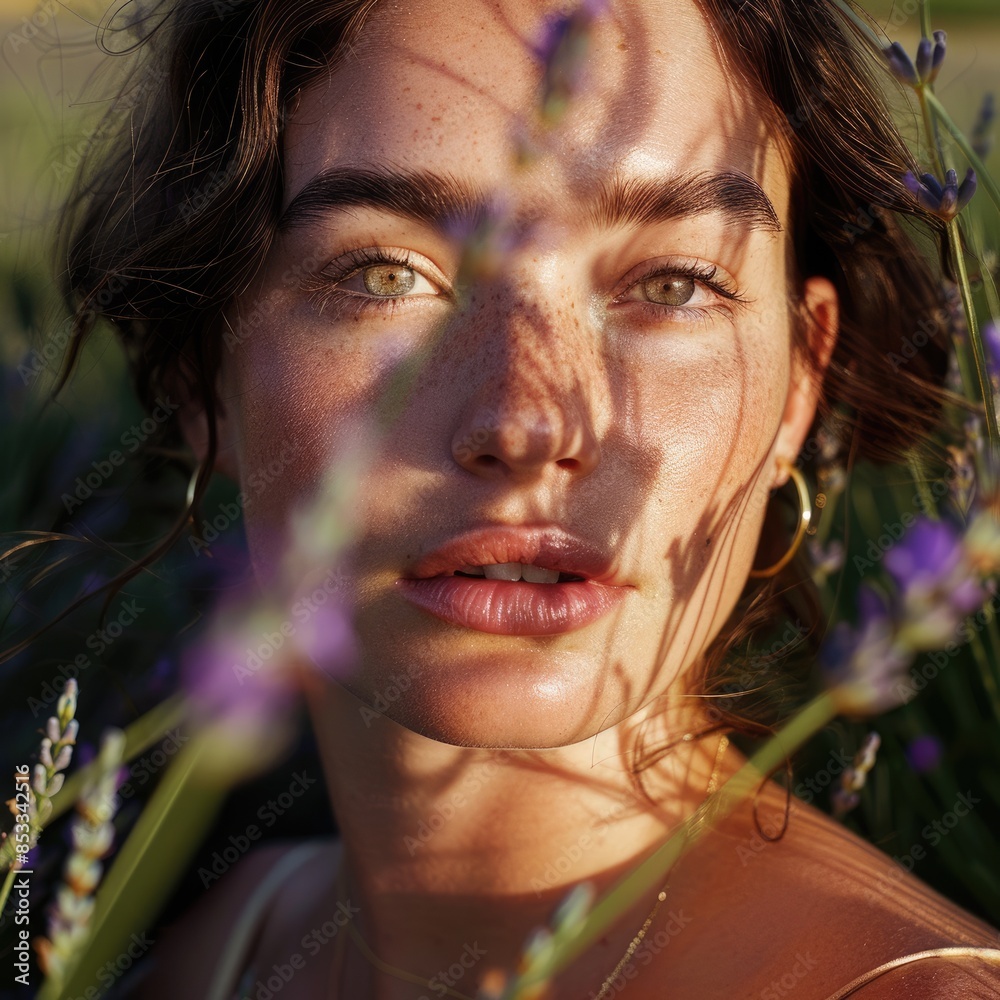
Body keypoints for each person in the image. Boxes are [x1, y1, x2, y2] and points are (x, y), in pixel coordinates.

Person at [51, 0, 1000, 996]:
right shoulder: (209, 946)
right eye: (385, 273)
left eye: (673, 284)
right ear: (206, 371)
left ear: (799, 383)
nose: (527, 424)